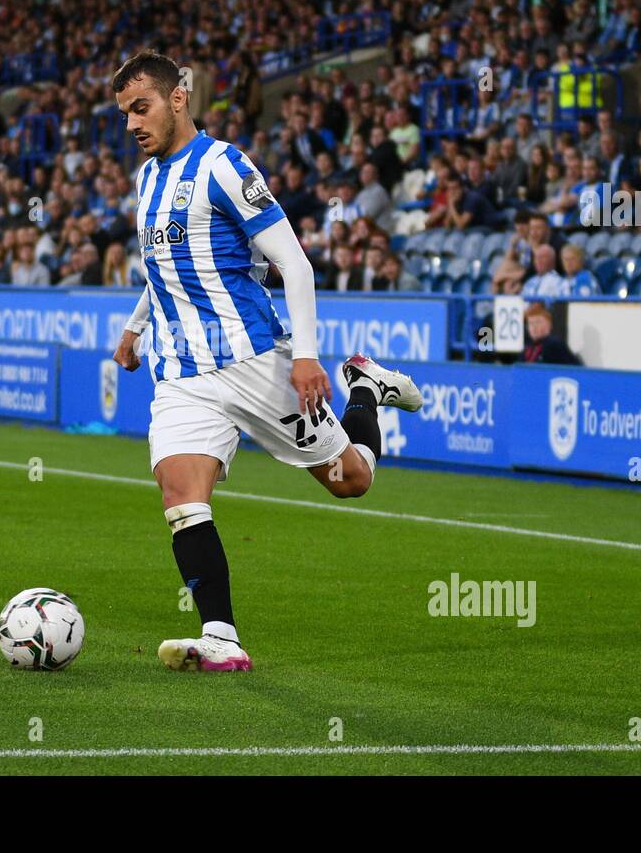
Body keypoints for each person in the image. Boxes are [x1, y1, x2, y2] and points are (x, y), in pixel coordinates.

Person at [109, 51, 424, 673]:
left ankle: (365, 390)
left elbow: (297, 264)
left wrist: (306, 358)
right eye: (123, 114)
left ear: (178, 99)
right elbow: (166, 265)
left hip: (255, 361)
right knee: (181, 495)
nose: (131, 125)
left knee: (351, 480)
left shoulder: (224, 166)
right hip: (181, 374)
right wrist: (134, 327)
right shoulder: (147, 180)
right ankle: (221, 637)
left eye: (140, 108)